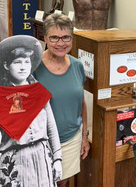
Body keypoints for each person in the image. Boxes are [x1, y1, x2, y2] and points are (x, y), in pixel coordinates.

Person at [0, 35, 62, 187]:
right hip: (14, 162)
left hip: (42, 157)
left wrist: (57, 159)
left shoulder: (39, 92)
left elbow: (51, 128)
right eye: (17, 62)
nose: (22, 66)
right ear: (7, 65)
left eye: (26, 62)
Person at [33, 13, 90, 187]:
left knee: (61, 182)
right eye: (54, 38)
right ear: (45, 38)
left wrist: (84, 136)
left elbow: (80, 102)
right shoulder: (33, 67)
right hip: (41, 142)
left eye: (66, 37)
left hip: (71, 139)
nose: (60, 43)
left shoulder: (77, 65)